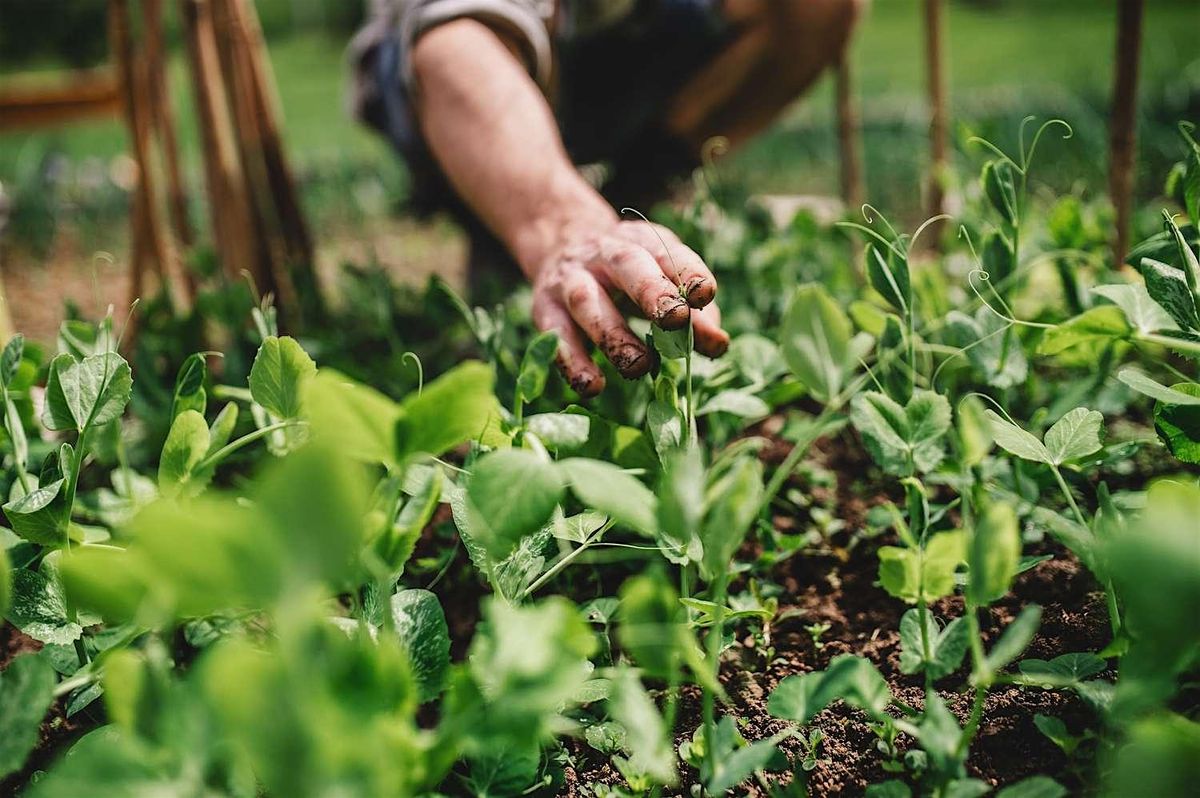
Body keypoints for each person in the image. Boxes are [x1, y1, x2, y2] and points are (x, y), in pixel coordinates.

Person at [350, 0, 864, 397]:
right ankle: (508, 219)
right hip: (444, 68)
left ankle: (635, 194)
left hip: (623, 48)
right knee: (461, 36)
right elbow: (455, 41)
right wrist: (565, 227)